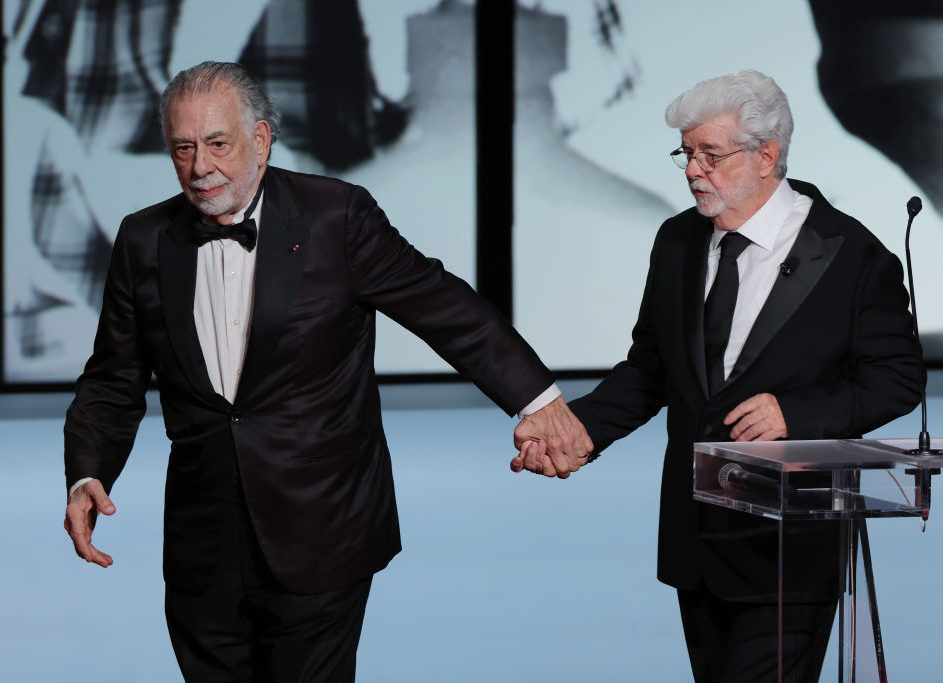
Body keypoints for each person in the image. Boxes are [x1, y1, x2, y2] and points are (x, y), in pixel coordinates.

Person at [62, 60, 591, 682]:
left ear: (261, 139)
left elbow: (444, 308)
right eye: (183, 147)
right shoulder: (143, 238)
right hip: (202, 541)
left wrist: (539, 402)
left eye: (217, 143)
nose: (200, 166)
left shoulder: (334, 217)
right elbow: (113, 377)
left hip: (321, 525)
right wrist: (88, 471)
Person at [513, 69, 922, 682]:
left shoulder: (853, 255)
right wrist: (577, 431)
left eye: (710, 154)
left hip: (789, 546)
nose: (691, 170)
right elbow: (650, 371)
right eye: (686, 152)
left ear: (767, 156)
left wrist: (797, 415)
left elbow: (897, 379)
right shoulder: (677, 240)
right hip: (696, 539)